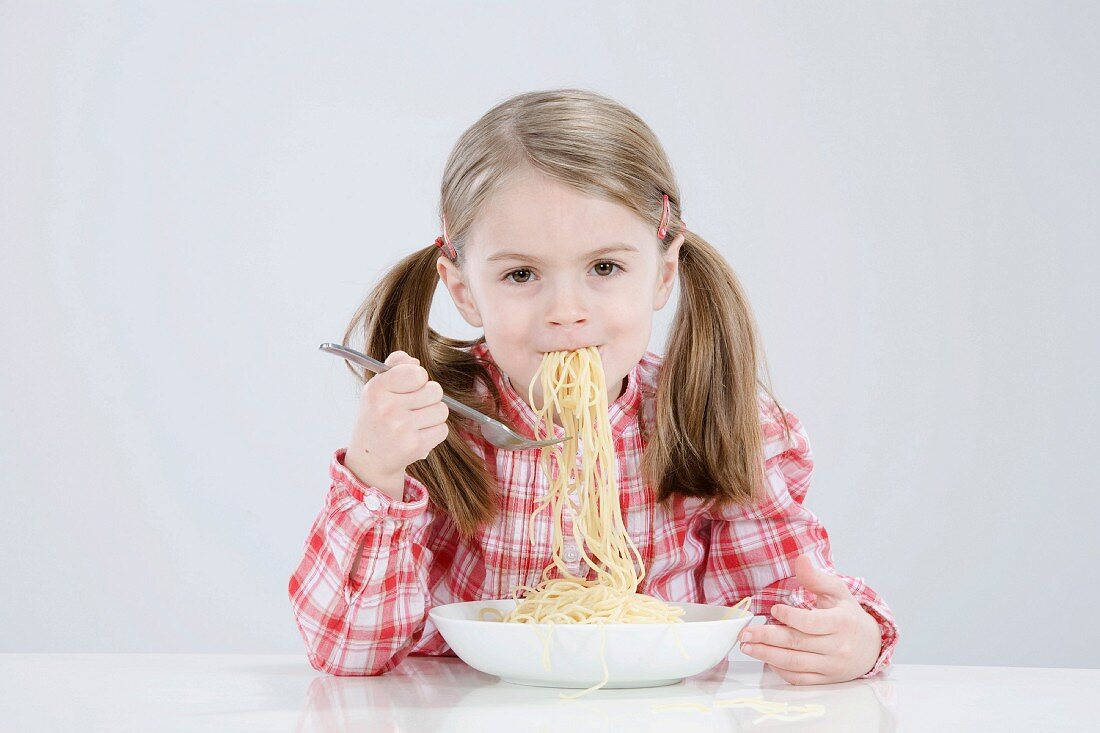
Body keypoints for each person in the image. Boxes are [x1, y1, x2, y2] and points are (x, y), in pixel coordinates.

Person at [288, 88, 898, 685]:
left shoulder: (719, 418)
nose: (567, 311)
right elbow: (348, 650)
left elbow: (786, 599)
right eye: (521, 274)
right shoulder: (435, 426)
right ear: (464, 289)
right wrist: (376, 472)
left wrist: (850, 639)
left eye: (604, 268)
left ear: (663, 272)